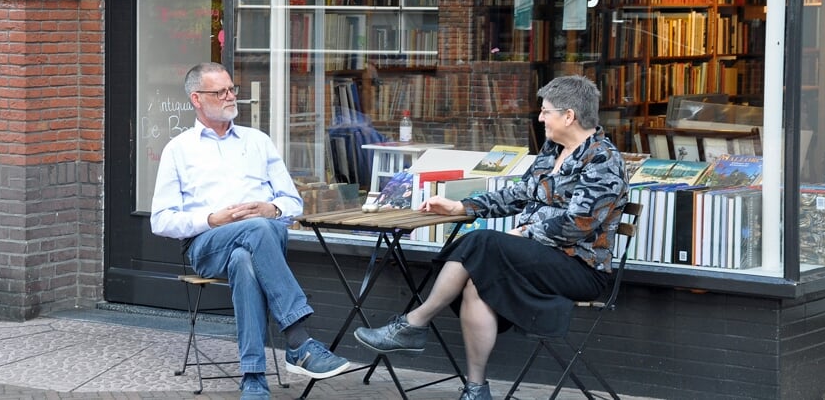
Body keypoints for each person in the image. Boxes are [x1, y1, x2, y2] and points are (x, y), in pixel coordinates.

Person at [353, 75, 629, 400]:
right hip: (539, 258)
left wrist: (526, 233)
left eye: (546, 111)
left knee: (483, 244)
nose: (540, 118)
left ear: (569, 116)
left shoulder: (603, 161)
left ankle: (415, 323)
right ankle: (476, 389)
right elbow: (517, 194)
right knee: (475, 281)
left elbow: (580, 224)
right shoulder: (553, 151)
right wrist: (462, 205)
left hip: (580, 268)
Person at [150, 62, 350, 400]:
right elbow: (161, 220)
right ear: (197, 99)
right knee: (254, 231)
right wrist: (212, 219)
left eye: (232, 89)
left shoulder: (258, 142)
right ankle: (299, 341)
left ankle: (254, 377)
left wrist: (271, 209)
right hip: (207, 244)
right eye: (221, 92)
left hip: (263, 239)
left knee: (246, 257)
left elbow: (293, 203)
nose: (230, 96)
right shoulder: (178, 150)